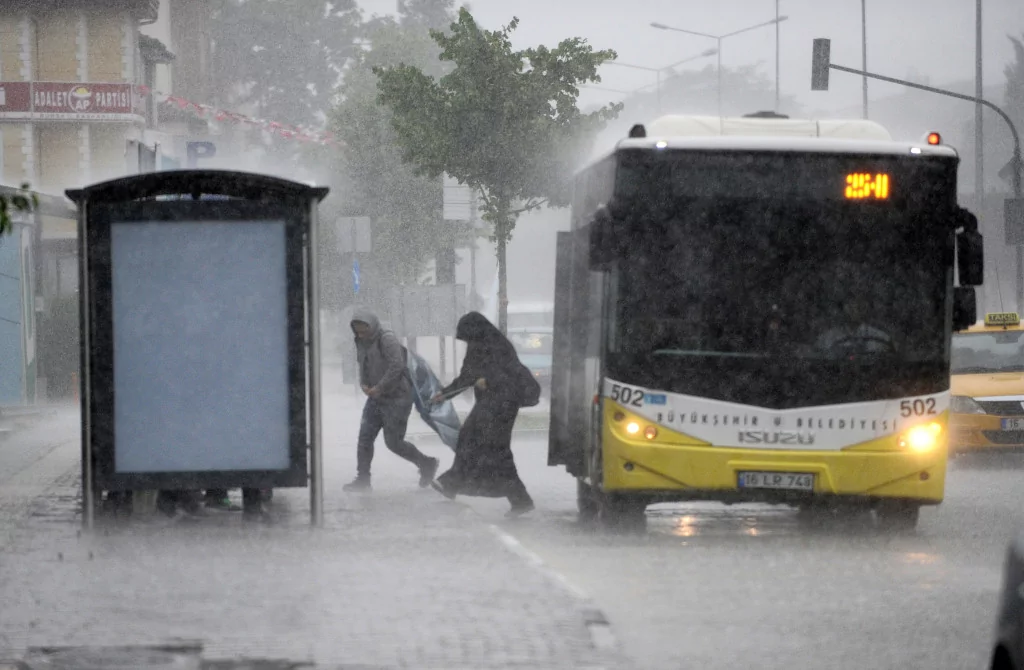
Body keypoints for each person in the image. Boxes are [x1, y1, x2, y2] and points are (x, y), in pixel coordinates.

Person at [430, 312, 535, 517]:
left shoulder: (498, 345)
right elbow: (468, 376)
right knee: (490, 448)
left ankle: (452, 482)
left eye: (468, 336)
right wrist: (445, 394)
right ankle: (519, 498)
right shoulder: (477, 346)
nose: (467, 341)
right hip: (490, 403)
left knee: (483, 443)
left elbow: (509, 373)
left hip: (504, 403)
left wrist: (488, 380)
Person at [343, 308, 439, 492]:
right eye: (357, 331)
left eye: (364, 330)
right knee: (365, 437)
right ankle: (363, 479)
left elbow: (397, 365)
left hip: (397, 398)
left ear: (372, 325)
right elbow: (363, 364)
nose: (361, 334)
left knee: (394, 443)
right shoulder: (360, 341)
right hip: (375, 398)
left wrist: (379, 387)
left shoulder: (386, 338)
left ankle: (426, 463)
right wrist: (364, 383)